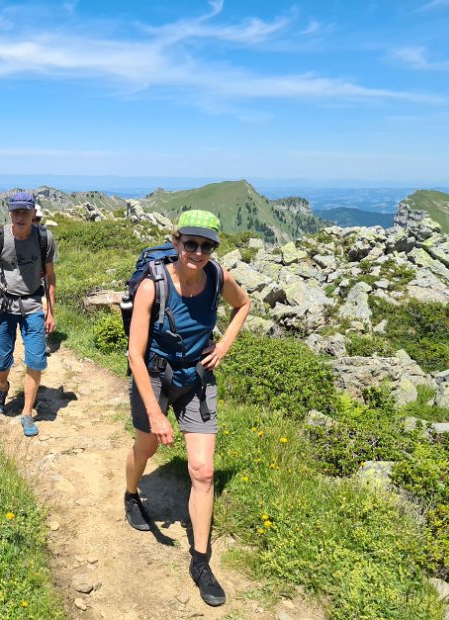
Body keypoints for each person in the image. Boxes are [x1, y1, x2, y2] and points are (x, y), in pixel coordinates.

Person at [124, 210, 250, 607]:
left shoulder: (217, 277)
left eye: (207, 245)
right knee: (146, 448)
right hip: (156, 377)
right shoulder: (152, 286)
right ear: (177, 242)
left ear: (213, 248)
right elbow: (134, 355)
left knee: (203, 470)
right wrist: (157, 414)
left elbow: (243, 305)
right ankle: (131, 494)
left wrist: (224, 346)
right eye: (191, 243)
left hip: (197, 378)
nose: (198, 252)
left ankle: (200, 561)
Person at [0, 191, 57, 437]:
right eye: (16, 211)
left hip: (33, 305)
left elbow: (51, 276)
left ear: (34, 213)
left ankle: (26, 413)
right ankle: (3, 388)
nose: (20, 216)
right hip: (2, 306)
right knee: (1, 362)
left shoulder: (44, 238)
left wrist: (51, 311)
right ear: (10, 213)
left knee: (35, 361)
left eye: (25, 211)